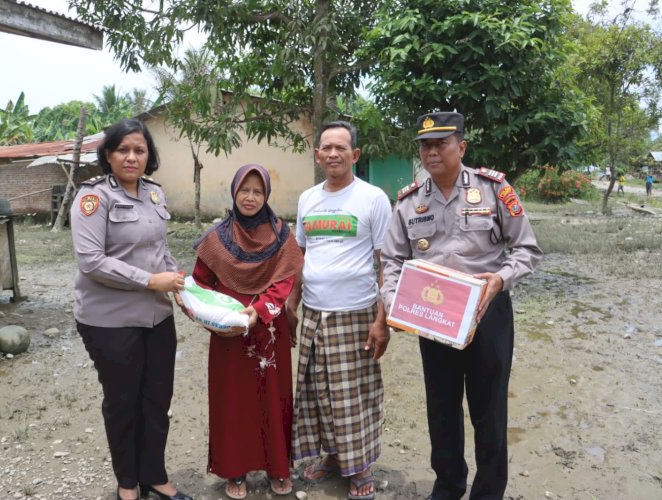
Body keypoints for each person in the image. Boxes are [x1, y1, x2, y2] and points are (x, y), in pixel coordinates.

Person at [381, 112, 542, 500]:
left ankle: (488, 492)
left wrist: (500, 279)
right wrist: (393, 305)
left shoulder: (494, 190)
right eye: (425, 145)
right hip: (435, 318)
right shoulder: (408, 202)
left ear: (461, 147)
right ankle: (449, 486)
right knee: (441, 409)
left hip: (488, 315)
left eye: (441, 143)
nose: (431, 152)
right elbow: (391, 261)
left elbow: (526, 249)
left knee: (489, 411)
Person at [71, 119, 192, 500]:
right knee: (123, 403)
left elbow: (159, 249)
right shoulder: (93, 198)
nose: (131, 157)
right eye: (123, 149)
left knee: (157, 399)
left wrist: (175, 281)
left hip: (156, 316)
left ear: (148, 156)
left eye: (139, 150)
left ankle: (154, 475)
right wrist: (149, 280)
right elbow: (90, 261)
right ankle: (128, 483)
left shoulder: (154, 194)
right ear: (108, 154)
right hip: (109, 320)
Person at [287, 121, 392, 500]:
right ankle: (333, 456)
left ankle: (361, 466)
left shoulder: (373, 198)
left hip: (357, 312)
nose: (333, 154)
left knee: (356, 393)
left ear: (355, 155)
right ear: (317, 155)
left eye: (341, 148)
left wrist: (383, 320)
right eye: (326, 148)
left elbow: (386, 261)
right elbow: (300, 254)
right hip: (315, 312)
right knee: (321, 391)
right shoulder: (307, 199)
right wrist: (292, 304)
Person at [188, 164, 304, 499]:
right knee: (232, 400)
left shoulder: (282, 235)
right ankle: (234, 469)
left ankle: (277, 468)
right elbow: (200, 283)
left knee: (273, 397)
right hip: (228, 332)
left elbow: (285, 282)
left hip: (268, 327)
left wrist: (259, 310)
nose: (250, 197)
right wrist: (214, 315)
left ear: (266, 195)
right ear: (234, 192)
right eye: (244, 190)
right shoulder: (217, 238)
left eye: (257, 191)